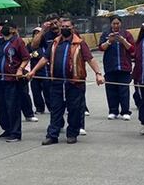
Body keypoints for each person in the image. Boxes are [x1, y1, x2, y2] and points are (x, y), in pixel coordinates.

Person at [28, 17, 104, 145]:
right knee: (55, 110)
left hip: (74, 83)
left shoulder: (80, 43)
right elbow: (45, 58)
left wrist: (98, 74)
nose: (64, 29)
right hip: (57, 83)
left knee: (74, 110)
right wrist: (33, 71)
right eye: (62, 26)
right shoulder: (55, 43)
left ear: (72, 28)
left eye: (67, 27)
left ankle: (72, 134)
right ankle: (52, 135)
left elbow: (90, 59)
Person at [0, 20, 31, 142]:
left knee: (12, 106)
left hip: (12, 80)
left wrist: (20, 69)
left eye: (5, 26)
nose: (2, 28)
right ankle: (6, 129)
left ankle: (15, 133)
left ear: (13, 29)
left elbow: (26, 58)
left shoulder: (18, 42)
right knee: (1, 106)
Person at [100, 16, 135, 120]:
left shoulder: (126, 34)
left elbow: (132, 49)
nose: (116, 25)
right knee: (111, 90)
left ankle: (125, 111)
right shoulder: (106, 34)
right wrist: (109, 41)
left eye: (117, 23)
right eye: (114, 23)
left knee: (124, 90)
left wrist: (123, 40)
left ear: (121, 24)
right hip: (110, 67)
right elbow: (101, 48)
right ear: (111, 24)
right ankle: (113, 111)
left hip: (124, 67)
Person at [27, 28, 48, 117]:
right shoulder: (30, 45)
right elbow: (25, 55)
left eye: (38, 33)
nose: (37, 35)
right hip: (34, 73)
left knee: (47, 92)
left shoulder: (46, 45)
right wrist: (31, 55)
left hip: (45, 72)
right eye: (35, 33)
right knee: (36, 92)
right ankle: (39, 108)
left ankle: (52, 107)